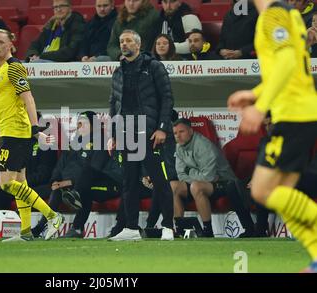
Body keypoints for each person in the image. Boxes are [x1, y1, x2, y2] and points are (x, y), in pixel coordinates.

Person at [227, 0, 317, 272]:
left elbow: (288, 62)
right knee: (283, 194)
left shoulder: (273, 16)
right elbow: (286, 67)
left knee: (263, 190)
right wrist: (255, 94)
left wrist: (260, 106)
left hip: (291, 114)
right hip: (301, 112)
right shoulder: (288, 14)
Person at [0, 29, 64, 242]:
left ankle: (52, 216)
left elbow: (29, 99)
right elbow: (3, 96)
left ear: (10, 45)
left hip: (16, 132)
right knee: (21, 183)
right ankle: (25, 232)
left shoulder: (14, 67)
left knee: (6, 183)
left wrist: (36, 130)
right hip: (10, 131)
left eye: (0, 42)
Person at [107, 30, 175, 241]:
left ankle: (168, 227)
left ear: (138, 44)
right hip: (126, 132)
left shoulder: (153, 66)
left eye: (128, 41)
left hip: (149, 131)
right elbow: (113, 104)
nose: (124, 44)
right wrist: (113, 134)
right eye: (121, 41)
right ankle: (131, 227)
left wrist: (162, 127)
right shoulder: (118, 72)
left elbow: (167, 98)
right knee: (129, 182)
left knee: (159, 180)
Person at [172, 118, 254, 237]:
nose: (178, 136)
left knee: (196, 187)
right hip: (205, 182)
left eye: (181, 132)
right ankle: (179, 229)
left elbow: (208, 177)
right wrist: (192, 175)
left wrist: (189, 171)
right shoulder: (179, 147)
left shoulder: (203, 145)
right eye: (175, 133)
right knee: (174, 186)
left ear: (190, 131)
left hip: (224, 182)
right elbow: (180, 174)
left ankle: (207, 230)